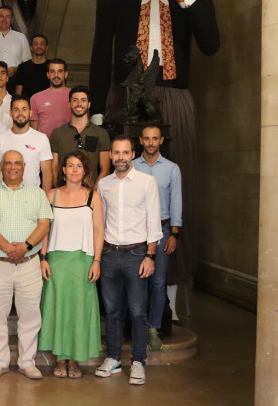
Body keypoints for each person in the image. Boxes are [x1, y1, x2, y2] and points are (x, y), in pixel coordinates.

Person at [90, 0, 219, 289]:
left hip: (175, 98)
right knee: (120, 185)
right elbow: (100, 58)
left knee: (178, 184)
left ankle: (172, 287)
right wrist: (97, 116)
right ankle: (120, 279)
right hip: (124, 99)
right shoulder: (111, 3)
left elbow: (211, 45)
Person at [0, 150, 52, 380]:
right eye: (7, 163)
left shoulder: (37, 193)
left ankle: (27, 362)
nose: (12, 167)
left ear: (24, 166)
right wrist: (9, 248)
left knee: (30, 316)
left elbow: (44, 225)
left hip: (29, 264)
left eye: (17, 163)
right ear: (1, 167)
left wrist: (25, 247)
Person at [95, 135, 162, 385]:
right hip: (110, 255)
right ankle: (113, 358)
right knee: (112, 311)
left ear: (133, 154)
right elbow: (100, 224)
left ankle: (138, 362)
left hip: (137, 255)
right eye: (116, 153)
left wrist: (150, 256)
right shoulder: (104, 185)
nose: (120, 157)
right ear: (110, 156)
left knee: (137, 311)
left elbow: (153, 221)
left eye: (125, 153)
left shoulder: (147, 182)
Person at [38, 151, 104, 379]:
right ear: (63, 170)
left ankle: (74, 359)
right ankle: (60, 357)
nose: (74, 170)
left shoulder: (93, 197)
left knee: (78, 310)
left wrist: (97, 261)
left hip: (82, 262)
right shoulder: (51, 195)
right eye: (70, 165)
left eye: (79, 166)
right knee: (57, 308)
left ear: (85, 171)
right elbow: (44, 229)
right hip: (56, 262)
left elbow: (99, 230)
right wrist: (43, 258)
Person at [132, 124, 182, 350]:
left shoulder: (172, 169)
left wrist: (174, 234)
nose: (151, 143)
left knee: (158, 283)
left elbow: (176, 202)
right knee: (136, 281)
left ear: (161, 140)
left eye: (155, 139)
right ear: (141, 140)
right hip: (136, 231)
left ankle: (153, 328)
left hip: (162, 231)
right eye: (147, 138)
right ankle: (137, 327)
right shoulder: (132, 166)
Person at [0, 97, 54, 191]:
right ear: (10, 113)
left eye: (24, 109)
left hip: (32, 195)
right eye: (16, 109)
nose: (20, 113)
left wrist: (45, 198)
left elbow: (47, 174)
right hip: (4, 194)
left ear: (30, 112)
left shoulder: (41, 139)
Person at [50, 86, 111, 186]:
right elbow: (54, 167)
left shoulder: (101, 133)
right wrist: (60, 190)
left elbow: (105, 169)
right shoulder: (57, 133)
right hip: (64, 190)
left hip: (90, 190)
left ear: (89, 104)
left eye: (83, 100)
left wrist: (93, 192)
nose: (79, 104)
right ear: (69, 104)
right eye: (75, 100)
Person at [0, 6, 31, 93]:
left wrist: (17, 69)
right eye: (1, 16)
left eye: (7, 16)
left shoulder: (21, 37)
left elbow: (28, 62)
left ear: (12, 19)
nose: (4, 19)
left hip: (16, 80)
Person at [29, 58, 71, 138]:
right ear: (48, 75)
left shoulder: (75, 97)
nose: (56, 75)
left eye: (60, 71)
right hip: (44, 144)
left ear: (65, 74)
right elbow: (33, 132)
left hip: (68, 143)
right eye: (52, 71)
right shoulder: (36, 98)